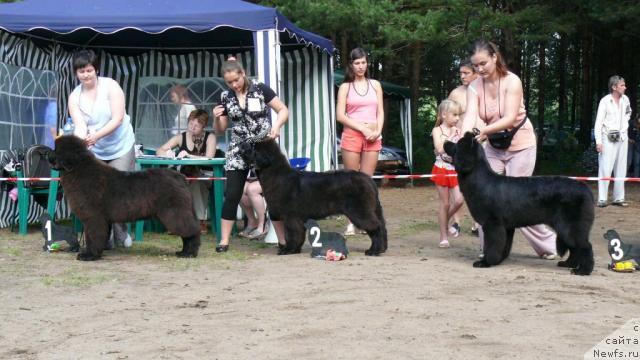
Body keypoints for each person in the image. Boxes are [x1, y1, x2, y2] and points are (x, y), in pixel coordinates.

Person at [461, 39, 557, 260]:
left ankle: (548, 247)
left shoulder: (512, 81)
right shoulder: (474, 86)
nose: (480, 69)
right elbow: (469, 116)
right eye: (475, 65)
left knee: (517, 202)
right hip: (494, 146)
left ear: (495, 57)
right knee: (482, 198)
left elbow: (510, 118)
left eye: (483, 63)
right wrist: (466, 138)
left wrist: (483, 131)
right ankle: (490, 251)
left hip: (521, 145)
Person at [211, 56, 288, 253]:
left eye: (236, 80)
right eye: (229, 82)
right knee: (232, 194)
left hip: (264, 146)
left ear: (243, 73)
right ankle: (224, 241)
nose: (234, 85)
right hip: (239, 149)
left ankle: (282, 240)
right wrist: (217, 118)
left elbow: (283, 110)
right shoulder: (225, 97)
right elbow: (220, 130)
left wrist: (277, 126)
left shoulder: (261, 89)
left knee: (273, 194)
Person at [67, 49, 136, 248]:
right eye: (81, 71)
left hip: (120, 145)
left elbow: (118, 118)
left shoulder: (111, 87)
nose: (86, 75)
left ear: (96, 69)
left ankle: (121, 232)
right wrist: (81, 144)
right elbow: (79, 125)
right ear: (76, 73)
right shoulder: (74, 97)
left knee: (119, 191)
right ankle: (104, 239)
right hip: (96, 149)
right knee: (96, 195)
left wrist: (96, 136)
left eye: (89, 70)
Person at [336, 47, 384, 236]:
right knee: (351, 180)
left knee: (366, 181)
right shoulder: (345, 87)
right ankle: (350, 222)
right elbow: (340, 115)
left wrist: (378, 130)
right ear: (351, 65)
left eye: (363, 62)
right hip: (353, 134)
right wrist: (361, 128)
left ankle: (366, 219)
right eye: (357, 63)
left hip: (372, 134)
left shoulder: (375, 85)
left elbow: (380, 111)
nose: (361, 66)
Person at [156, 109, 216, 232]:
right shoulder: (181, 137)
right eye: (190, 124)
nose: (192, 128)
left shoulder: (210, 137)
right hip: (185, 175)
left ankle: (199, 221)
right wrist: (169, 154)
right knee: (174, 184)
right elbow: (159, 150)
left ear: (203, 126)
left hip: (206, 176)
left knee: (195, 183)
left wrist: (190, 156)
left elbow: (210, 157)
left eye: (197, 126)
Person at [447, 59, 479, 236]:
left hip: (479, 141)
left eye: (466, 73)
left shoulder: (482, 90)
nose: (462, 76)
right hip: (459, 142)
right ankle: (456, 221)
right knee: (456, 183)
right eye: (460, 73)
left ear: (475, 73)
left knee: (478, 182)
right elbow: (446, 116)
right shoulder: (455, 93)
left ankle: (477, 222)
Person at [431, 99, 465, 248]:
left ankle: (445, 221)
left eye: (459, 115)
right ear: (444, 115)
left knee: (459, 200)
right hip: (442, 168)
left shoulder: (459, 131)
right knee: (444, 203)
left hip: (455, 169)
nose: (458, 118)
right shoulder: (437, 130)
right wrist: (451, 142)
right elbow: (439, 148)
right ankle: (443, 236)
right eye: (455, 115)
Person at [594, 75, 632, 207]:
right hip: (607, 138)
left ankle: (618, 198)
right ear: (614, 87)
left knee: (621, 168)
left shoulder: (626, 100)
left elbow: (629, 112)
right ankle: (602, 199)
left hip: (622, 137)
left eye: (624, 84)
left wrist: (624, 124)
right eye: (622, 85)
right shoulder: (605, 101)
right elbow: (598, 123)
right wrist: (598, 141)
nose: (625, 87)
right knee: (605, 167)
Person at [238, 170, 269, 239]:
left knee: (252, 189)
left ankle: (263, 224)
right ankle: (252, 222)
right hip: (254, 178)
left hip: (273, 177)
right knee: (239, 187)